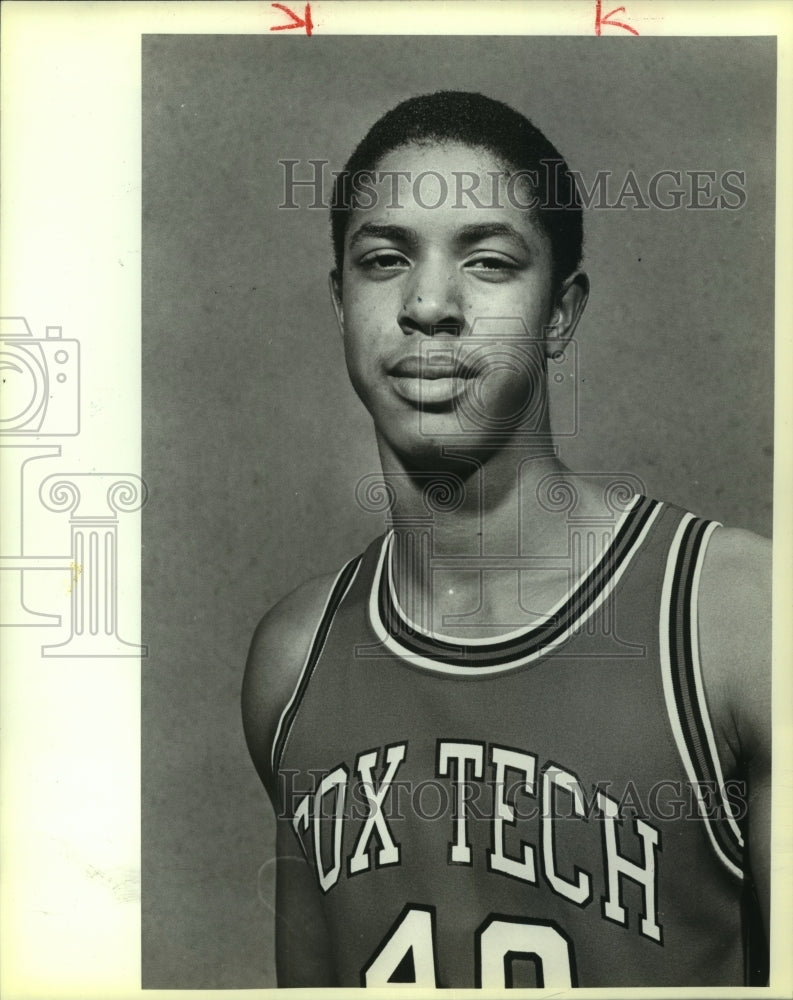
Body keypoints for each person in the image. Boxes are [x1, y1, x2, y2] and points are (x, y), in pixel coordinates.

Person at [242, 91, 770, 988]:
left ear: (558, 313)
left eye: (487, 262)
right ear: (341, 304)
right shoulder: (294, 664)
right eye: (383, 259)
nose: (429, 304)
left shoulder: (736, 623)